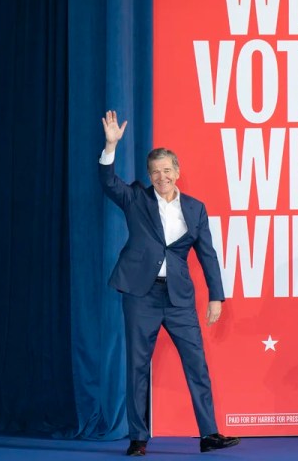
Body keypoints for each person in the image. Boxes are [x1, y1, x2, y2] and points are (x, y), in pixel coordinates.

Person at [98, 111, 239, 456]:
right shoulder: (136, 198)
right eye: (155, 172)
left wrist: (216, 297)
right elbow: (107, 182)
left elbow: (207, 255)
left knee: (197, 365)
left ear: (177, 173)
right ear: (149, 176)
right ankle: (138, 439)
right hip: (140, 296)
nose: (161, 177)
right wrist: (110, 145)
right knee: (137, 367)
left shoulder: (196, 209)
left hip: (178, 299)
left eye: (166, 170)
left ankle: (209, 434)